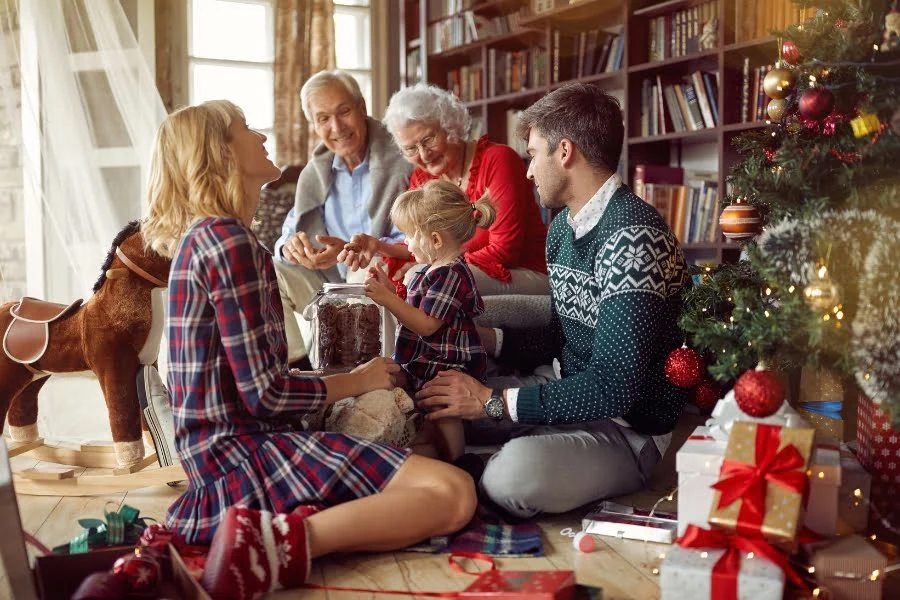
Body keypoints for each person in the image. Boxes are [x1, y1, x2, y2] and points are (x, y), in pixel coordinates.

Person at [141, 100, 476, 591]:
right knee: (454, 492)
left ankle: (279, 530)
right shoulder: (229, 241)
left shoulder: (209, 236)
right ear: (222, 153)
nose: (262, 136)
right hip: (238, 461)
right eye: (246, 128)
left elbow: (253, 387)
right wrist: (357, 380)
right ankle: (272, 544)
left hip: (218, 456)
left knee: (423, 463)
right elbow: (266, 395)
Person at [413, 83, 690, 519]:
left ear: (564, 152)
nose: (528, 172)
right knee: (437, 410)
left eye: (532, 154)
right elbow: (562, 337)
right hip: (560, 385)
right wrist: (488, 339)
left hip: (626, 429)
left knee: (511, 477)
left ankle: (494, 465)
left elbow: (614, 387)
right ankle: (499, 456)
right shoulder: (562, 228)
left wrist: (491, 401)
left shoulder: (633, 236)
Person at [339, 83, 548, 296]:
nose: (423, 154)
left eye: (428, 140)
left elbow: (504, 252)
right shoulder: (423, 178)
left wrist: (430, 267)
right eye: (411, 148)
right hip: (459, 267)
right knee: (370, 271)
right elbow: (422, 244)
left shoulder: (498, 160)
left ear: (450, 126)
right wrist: (377, 246)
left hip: (521, 271)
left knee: (422, 278)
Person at [273, 70, 413, 363]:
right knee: (270, 271)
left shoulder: (402, 158)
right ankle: (298, 369)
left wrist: (355, 251)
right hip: (327, 284)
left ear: (362, 108)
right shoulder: (316, 171)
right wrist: (290, 248)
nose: (336, 127)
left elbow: (414, 236)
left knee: (365, 270)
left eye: (344, 112)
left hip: (380, 275)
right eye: (323, 118)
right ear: (314, 125)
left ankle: (376, 373)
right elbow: (290, 231)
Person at [363, 180, 494, 462]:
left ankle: (459, 461)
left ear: (435, 240)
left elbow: (426, 325)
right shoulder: (430, 270)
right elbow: (414, 307)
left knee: (443, 409)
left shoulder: (451, 274)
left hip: (444, 363)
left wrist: (387, 300)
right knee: (402, 390)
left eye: (409, 235)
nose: (406, 243)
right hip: (423, 359)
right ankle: (423, 445)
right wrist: (390, 291)